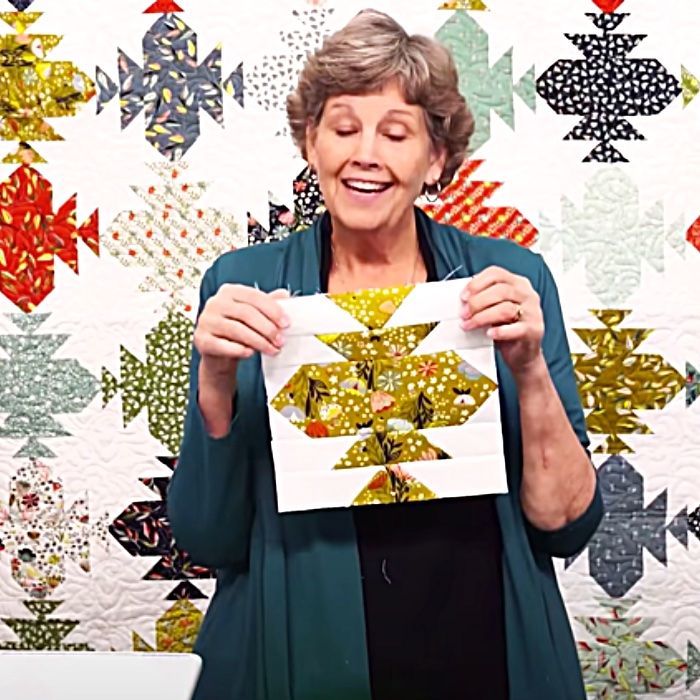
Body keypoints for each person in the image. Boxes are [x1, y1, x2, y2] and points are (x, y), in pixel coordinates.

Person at [168, 9, 603, 700]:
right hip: (306, 649)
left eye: (395, 133)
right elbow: (208, 541)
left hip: (483, 647)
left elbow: (566, 526)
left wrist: (528, 369)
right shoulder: (241, 286)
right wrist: (216, 381)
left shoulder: (511, 280)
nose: (365, 152)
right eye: (343, 129)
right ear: (311, 144)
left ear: (435, 159)